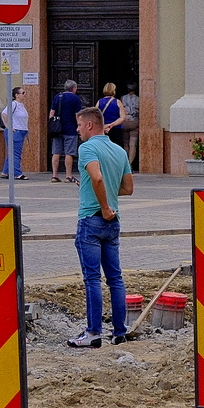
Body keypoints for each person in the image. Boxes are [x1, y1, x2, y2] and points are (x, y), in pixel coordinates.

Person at [69, 106, 133, 348]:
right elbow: (127, 188)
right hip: (113, 223)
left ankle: (93, 333)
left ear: (89, 125)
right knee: (115, 278)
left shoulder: (87, 148)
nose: (77, 130)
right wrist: (106, 197)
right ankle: (119, 332)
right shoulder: (119, 151)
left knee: (92, 278)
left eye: (79, 125)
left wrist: (104, 205)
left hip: (92, 219)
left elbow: (96, 178)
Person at [50, 80, 83, 182]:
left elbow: (52, 112)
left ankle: (54, 175)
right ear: (73, 88)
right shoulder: (75, 98)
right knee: (69, 153)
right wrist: (79, 126)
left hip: (57, 129)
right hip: (70, 128)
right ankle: (68, 176)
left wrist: (51, 124)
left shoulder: (58, 97)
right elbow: (77, 114)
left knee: (56, 152)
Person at [1, 87, 30, 180]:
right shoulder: (14, 104)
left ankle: (5, 172)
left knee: (12, 153)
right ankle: (17, 173)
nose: (24, 94)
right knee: (16, 154)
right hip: (15, 131)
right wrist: (8, 126)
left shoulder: (21, 105)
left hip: (21, 131)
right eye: (23, 93)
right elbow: (4, 114)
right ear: (17, 95)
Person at [118, 84, 142, 169]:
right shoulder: (139, 99)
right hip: (134, 122)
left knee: (125, 144)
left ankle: (125, 162)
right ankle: (130, 164)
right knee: (133, 145)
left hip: (125, 122)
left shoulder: (122, 98)